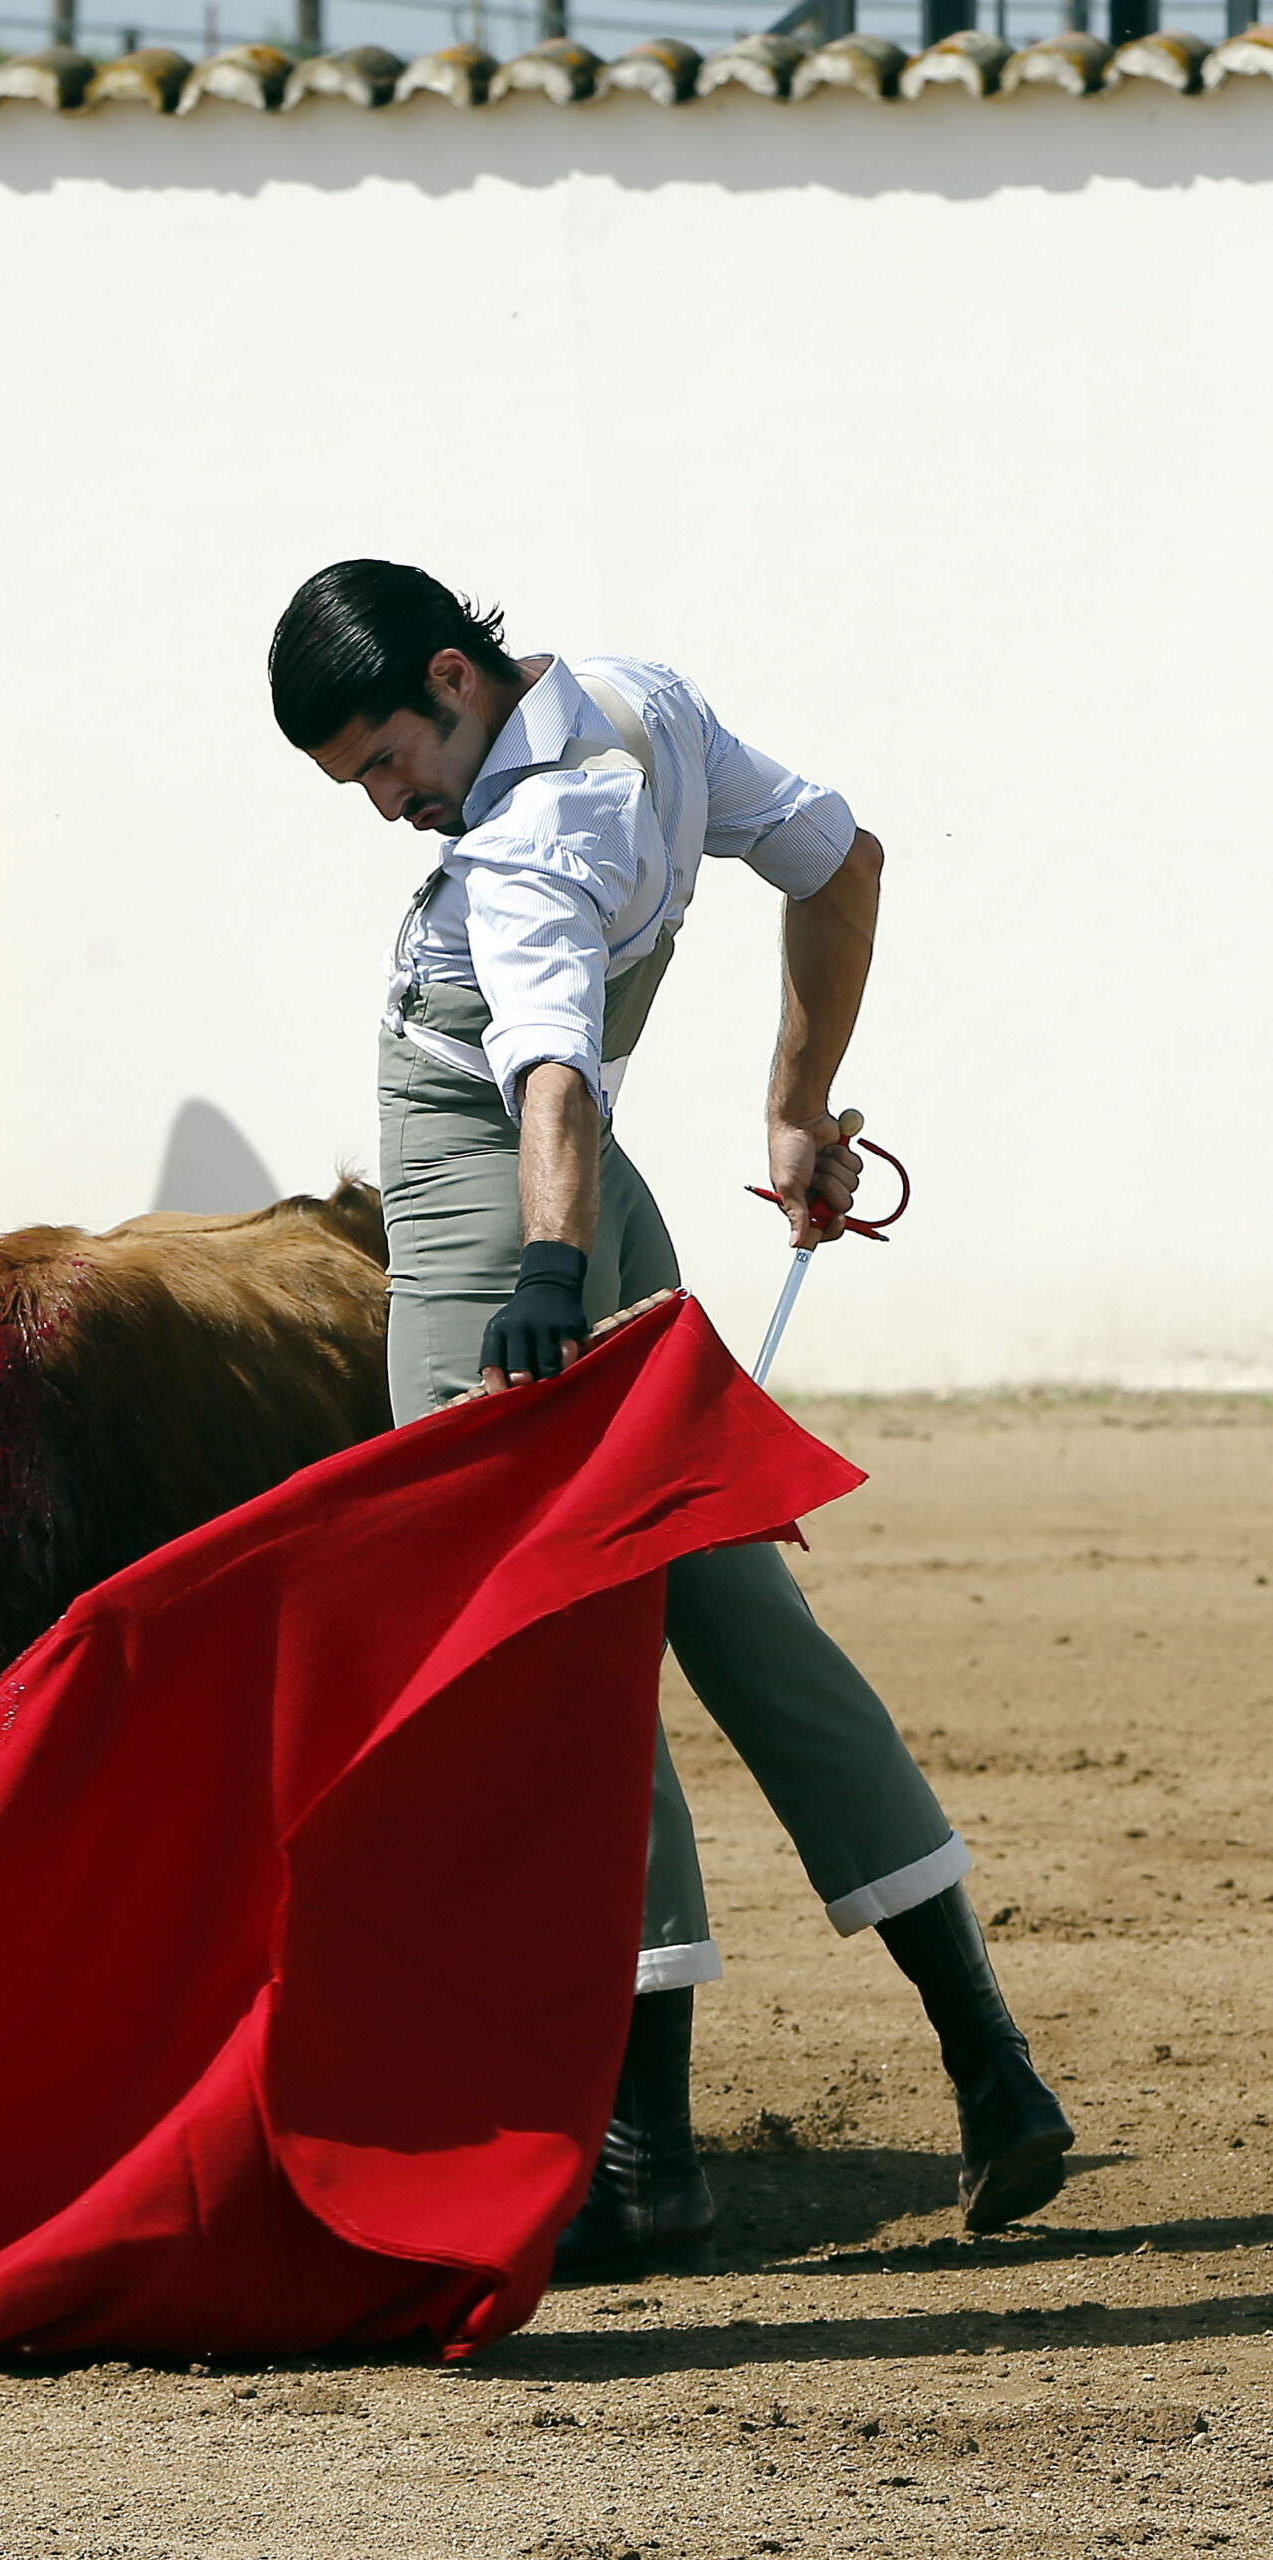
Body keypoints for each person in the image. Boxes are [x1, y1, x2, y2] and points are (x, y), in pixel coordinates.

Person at [268, 558, 1072, 2267]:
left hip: (506, 1215)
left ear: (450, 678)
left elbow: (545, 1066)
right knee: (731, 1600)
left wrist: (541, 1287)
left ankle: (646, 2157)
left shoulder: (519, 846)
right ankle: (989, 2060)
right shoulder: (649, 698)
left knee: (542, 1637)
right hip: (599, 1195)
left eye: (386, 762)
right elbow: (840, 860)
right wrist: (798, 1105)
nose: (391, 802)